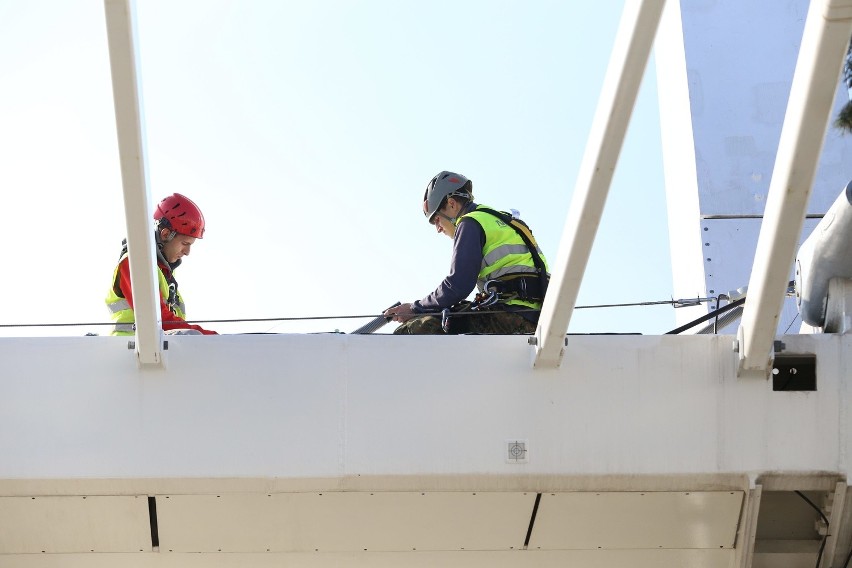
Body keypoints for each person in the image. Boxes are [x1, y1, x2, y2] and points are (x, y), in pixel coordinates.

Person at [385, 171, 549, 334]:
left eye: (436, 219)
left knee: (415, 328)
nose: (438, 229)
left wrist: (415, 308)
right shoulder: (502, 220)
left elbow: (458, 285)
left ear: (451, 204)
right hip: (539, 320)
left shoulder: (470, 222)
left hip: (510, 317)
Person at [105, 193, 217, 336]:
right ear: (165, 234)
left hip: (157, 352)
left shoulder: (164, 272)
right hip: (131, 352)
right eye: (185, 243)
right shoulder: (135, 263)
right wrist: (210, 338)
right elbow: (158, 319)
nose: (187, 252)